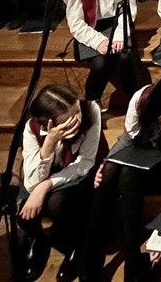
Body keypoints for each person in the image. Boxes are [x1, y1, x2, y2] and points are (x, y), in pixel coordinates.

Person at [83, 71, 161, 282]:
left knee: (128, 174)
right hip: (139, 156)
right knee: (110, 174)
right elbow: (128, 138)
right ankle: (93, 261)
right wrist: (106, 162)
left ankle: (132, 262)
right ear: (156, 105)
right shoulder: (141, 99)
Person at [18, 84, 106, 281]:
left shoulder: (91, 111)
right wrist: (49, 143)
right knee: (23, 211)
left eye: (77, 110)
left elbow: (84, 164)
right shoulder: (32, 129)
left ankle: (77, 243)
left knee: (58, 203)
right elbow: (32, 181)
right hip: (49, 173)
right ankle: (36, 239)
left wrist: (45, 186)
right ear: (50, 124)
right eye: (70, 117)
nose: (78, 118)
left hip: (81, 174)